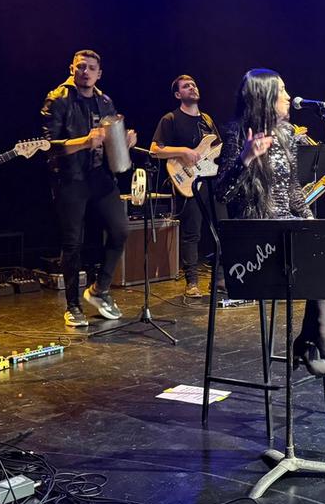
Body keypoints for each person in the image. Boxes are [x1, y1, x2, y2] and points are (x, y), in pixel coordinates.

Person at [215, 69, 325, 376]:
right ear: (265, 97)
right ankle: (310, 343)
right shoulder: (237, 133)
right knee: (315, 255)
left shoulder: (286, 134)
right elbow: (221, 193)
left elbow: (294, 188)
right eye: (282, 90)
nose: (288, 96)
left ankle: (311, 339)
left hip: (285, 226)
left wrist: (311, 221)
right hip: (254, 233)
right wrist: (244, 159)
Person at [41, 49, 137, 328]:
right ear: (71, 68)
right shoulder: (58, 99)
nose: (85, 72)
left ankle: (99, 289)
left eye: (91, 68)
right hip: (70, 177)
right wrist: (84, 142)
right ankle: (72, 305)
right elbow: (47, 146)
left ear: (99, 73)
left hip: (100, 175)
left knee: (120, 230)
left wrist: (124, 141)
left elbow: (111, 141)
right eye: (81, 66)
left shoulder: (104, 101)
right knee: (73, 242)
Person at [150, 75, 223, 299]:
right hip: (188, 181)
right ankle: (191, 282)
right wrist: (183, 151)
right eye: (186, 86)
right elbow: (155, 149)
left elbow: (217, 149)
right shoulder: (170, 119)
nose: (192, 87)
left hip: (210, 179)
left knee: (222, 228)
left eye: (193, 84)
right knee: (192, 232)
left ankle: (219, 278)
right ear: (177, 94)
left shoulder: (207, 120)